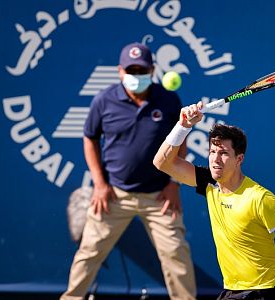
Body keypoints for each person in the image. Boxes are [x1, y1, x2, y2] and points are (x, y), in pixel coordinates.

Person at [61, 42, 196, 300]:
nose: (137, 76)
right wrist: (99, 184)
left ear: (153, 70)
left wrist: (174, 183)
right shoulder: (103, 100)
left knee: (177, 254)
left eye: (142, 70)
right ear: (120, 71)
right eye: (131, 71)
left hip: (159, 196)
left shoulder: (169, 99)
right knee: (89, 253)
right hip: (114, 194)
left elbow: (181, 142)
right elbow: (89, 138)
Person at [153, 103, 275, 300]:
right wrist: (183, 126)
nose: (216, 159)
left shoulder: (260, 198)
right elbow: (161, 162)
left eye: (224, 153)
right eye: (212, 152)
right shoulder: (209, 183)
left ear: (239, 159)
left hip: (262, 293)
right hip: (231, 290)